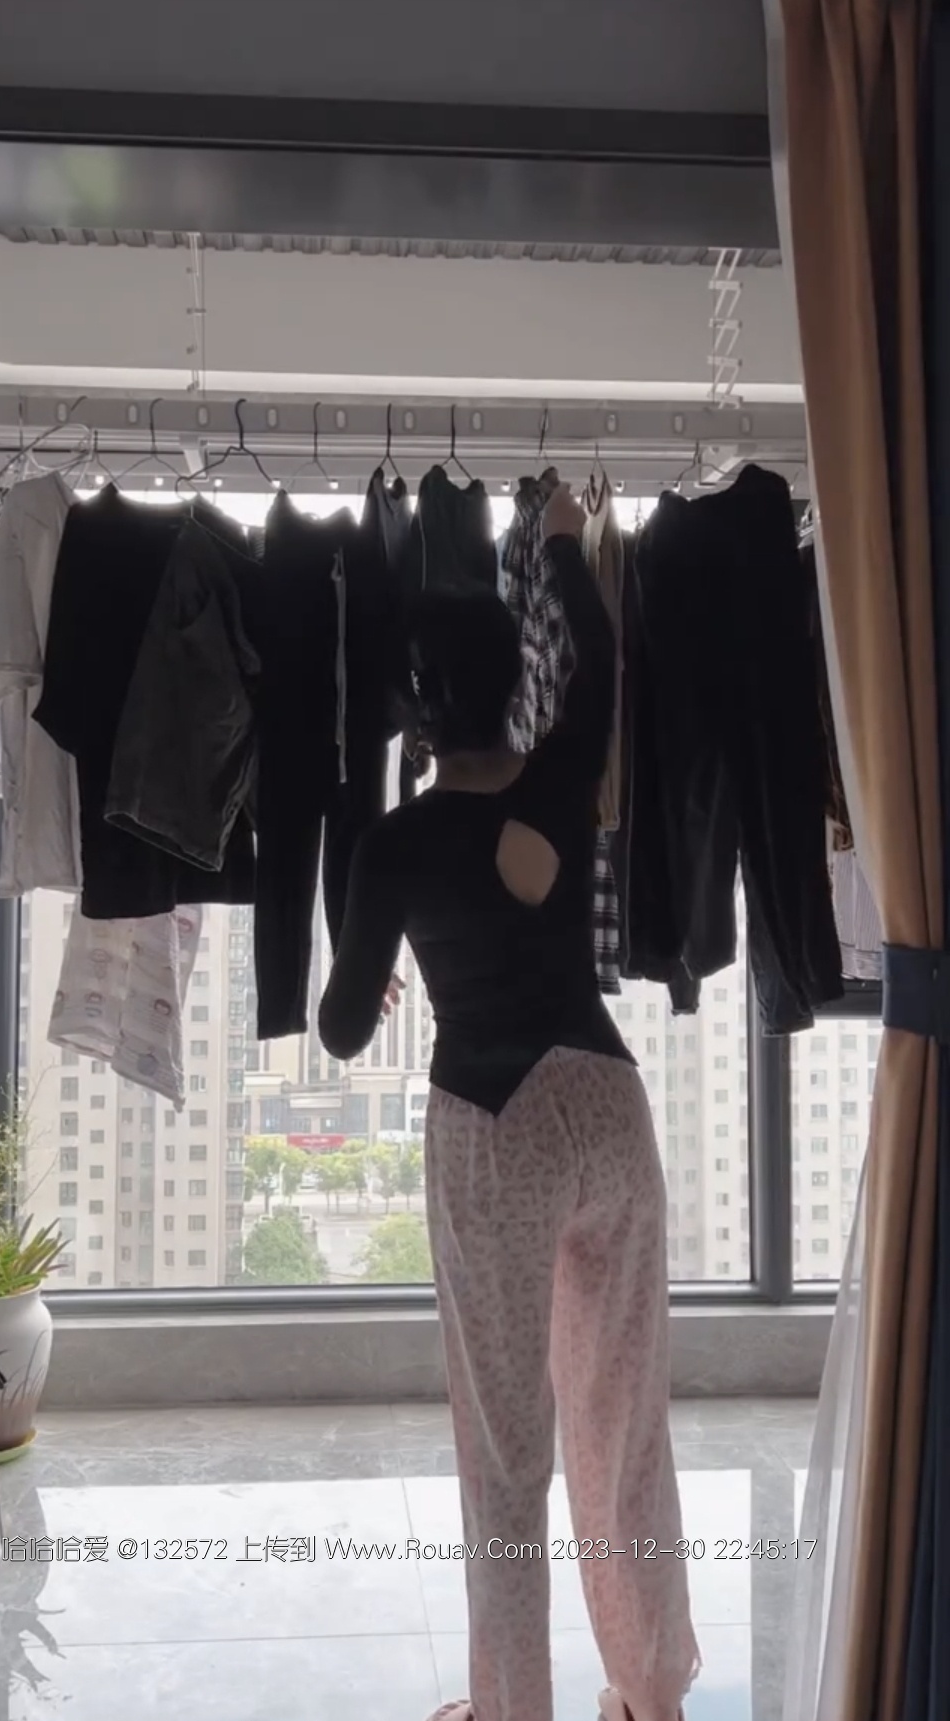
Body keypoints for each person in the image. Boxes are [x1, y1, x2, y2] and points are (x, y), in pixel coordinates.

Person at [318, 485, 700, 1721]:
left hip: (494, 1126)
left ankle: (513, 1707)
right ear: (510, 685)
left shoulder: (391, 846)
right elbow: (597, 657)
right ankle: (649, 1689)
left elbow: (340, 1024)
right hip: (608, 1103)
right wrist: (565, 547)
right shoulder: (565, 762)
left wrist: (370, 977)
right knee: (624, 1420)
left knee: (506, 1454)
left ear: (416, 707)